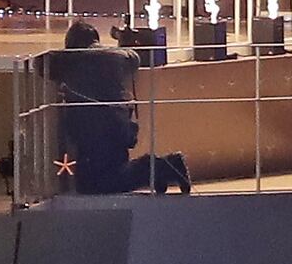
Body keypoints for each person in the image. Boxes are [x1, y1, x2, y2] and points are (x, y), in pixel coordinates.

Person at [43, 22, 186, 193]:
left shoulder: (69, 60)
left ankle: (161, 167)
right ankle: (159, 169)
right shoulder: (116, 56)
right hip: (117, 126)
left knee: (95, 185)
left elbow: (41, 62)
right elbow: (134, 58)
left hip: (95, 130)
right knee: (108, 176)